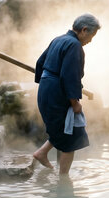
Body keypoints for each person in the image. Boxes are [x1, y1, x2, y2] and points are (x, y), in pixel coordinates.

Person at [32, 14, 101, 175]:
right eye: (92, 35)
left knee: (63, 129)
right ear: (84, 30)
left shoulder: (58, 39)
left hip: (47, 90)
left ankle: (41, 153)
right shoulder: (74, 45)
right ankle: (64, 181)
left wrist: (45, 84)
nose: (91, 40)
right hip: (58, 92)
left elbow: (40, 63)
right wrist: (74, 101)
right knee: (71, 138)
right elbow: (69, 76)